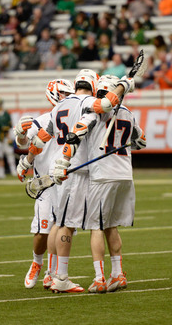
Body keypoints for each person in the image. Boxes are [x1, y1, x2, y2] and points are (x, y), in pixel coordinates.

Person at [17, 70, 135, 293]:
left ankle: (52, 274)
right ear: (92, 85)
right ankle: (61, 277)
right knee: (69, 225)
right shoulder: (90, 101)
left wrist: (27, 162)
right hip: (78, 168)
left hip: (61, 167)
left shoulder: (58, 107)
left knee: (59, 221)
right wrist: (124, 85)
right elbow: (108, 105)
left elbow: (42, 138)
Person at [54, 75, 146, 293]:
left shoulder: (95, 112)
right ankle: (118, 274)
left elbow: (75, 134)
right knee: (111, 225)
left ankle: (99, 278)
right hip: (125, 175)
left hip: (102, 175)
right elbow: (141, 142)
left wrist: (64, 161)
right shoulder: (129, 114)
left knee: (96, 226)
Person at [14, 79, 75, 289]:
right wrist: (20, 133)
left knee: (63, 228)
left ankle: (53, 274)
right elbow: (25, 143)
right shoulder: (42, 120)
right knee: (42, 231)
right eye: (64, 93)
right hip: (46, 183)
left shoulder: (77, 117)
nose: (68, 96)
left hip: (67, 179)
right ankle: (37, 263)